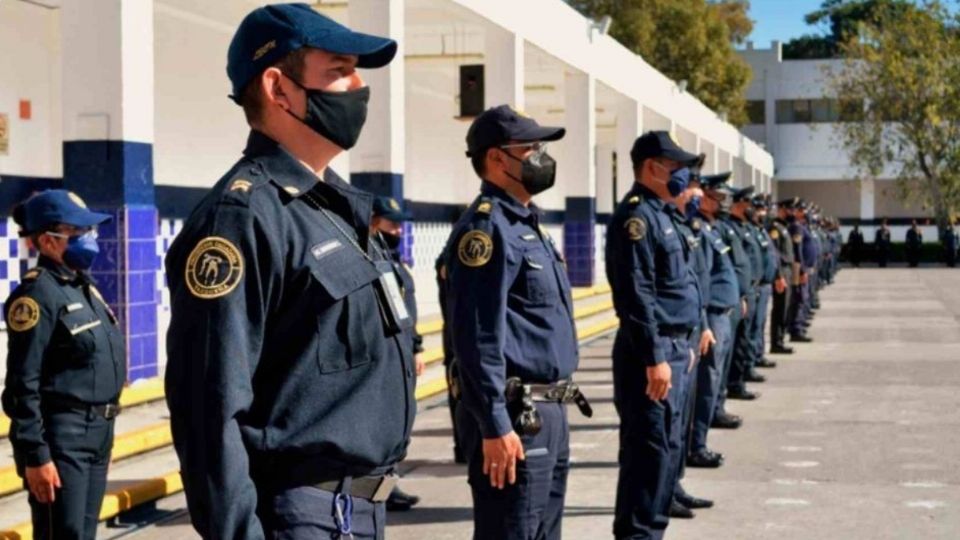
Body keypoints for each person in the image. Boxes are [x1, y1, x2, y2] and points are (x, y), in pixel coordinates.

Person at [164, 5, 414, 538]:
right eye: (338, 69)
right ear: (279, 89)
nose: (357, 86)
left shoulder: (331, 209)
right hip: (303, 518)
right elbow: (208, 411)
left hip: (357, 512)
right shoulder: (241, 220)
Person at [443, 105, 586, 540]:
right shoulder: (486, 232)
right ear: (497, 159)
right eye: (530, 148)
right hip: (514, 414)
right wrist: (494, 423)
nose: (540, 156)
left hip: (549, 409)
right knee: (511, 530)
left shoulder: (529, 225)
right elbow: (476, 337)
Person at [2, 190, 124, 540]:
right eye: (78, 231)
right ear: (47, 241)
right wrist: (37, 456)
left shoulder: (81, 287)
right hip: (62, 439)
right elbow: (22, 384)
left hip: (96, 436)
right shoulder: (37, 296)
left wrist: (102, 439)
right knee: (63, 533)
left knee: (83, 533)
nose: (90, 238)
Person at [605, 131, 702, 539]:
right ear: (652, 167)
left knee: (665, 454)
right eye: (676, 167)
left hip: (673, 349)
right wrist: (654, 356)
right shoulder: (636, 219)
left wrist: (687, 341)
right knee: (648, 458)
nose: (683, 176)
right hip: (651, 354)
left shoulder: (662, 215)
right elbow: (636, 295)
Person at [370, 196, 425, 512]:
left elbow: (407, 312)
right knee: (386, 425)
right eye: (392, 223)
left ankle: (390, 483)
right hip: (388, 357)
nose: (399, 230)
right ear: (374, 221)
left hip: (403, 353)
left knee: (400, 423)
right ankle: (384, 487)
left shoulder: (392, 261)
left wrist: (416, 346)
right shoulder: (374, 259)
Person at [687, 173, 741, 468]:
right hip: (712, 316)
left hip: (723, 313)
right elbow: (701, 280)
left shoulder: (712, 229)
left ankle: (698, 442)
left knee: (714, 381)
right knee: (706, 385)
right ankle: (697, 445)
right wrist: (705, 324)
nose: (723, 203)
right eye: (718, 197)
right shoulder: (699, 230)